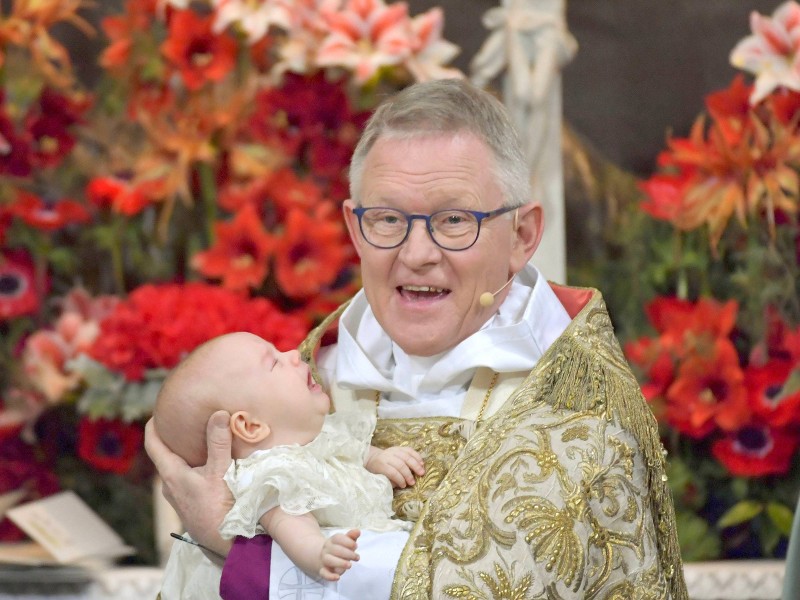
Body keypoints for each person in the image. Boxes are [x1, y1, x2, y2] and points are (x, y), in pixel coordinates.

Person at [146, 78, 689, 599]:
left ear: (521, 236)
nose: (417, 253)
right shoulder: (308, 379)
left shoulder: (578, 413)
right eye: (386, 220)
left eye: (454, 220)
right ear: (355, 229)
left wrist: (233, 543)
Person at [152, 332, 422, 598]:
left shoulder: (314, 434)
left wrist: (377, 459)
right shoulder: (271, 475)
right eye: (273, 363)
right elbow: (291, 527)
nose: (294, 355)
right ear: (250, 426)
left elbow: (345, 447)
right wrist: (318, 552)